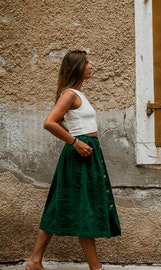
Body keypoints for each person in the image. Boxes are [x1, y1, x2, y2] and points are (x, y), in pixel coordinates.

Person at [25, 50, 121, 270]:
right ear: (77, 67)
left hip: (86, 153)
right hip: (80, 155)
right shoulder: (69, 94)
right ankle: (96, 267)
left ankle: (34, 260)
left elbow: (67, 123)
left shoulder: (78, 93)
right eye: (86, 62)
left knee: (58, 205)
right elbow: (50, 122)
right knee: (85, 207)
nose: (91, 65)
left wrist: (76, 140)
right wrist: (75, 142)